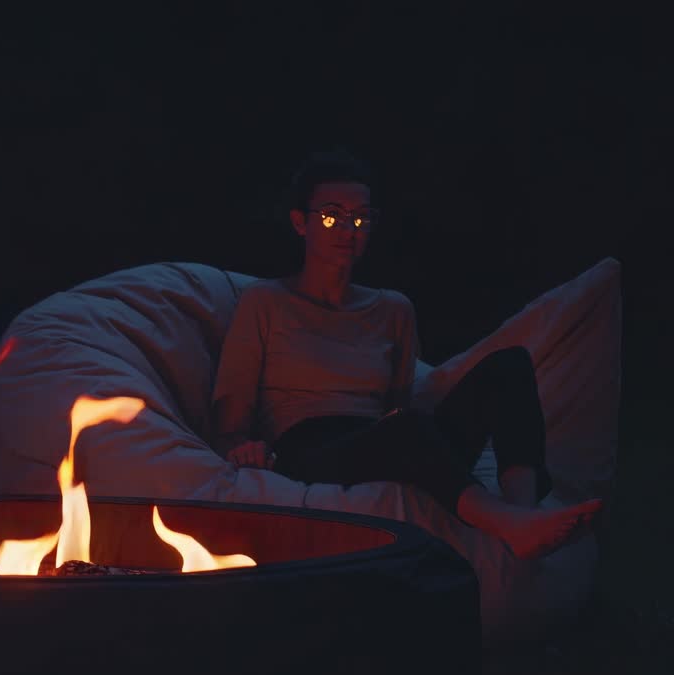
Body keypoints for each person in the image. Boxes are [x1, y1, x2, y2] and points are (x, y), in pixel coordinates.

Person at [210, 149, 601, 560]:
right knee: (406, 428)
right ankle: (506, 524)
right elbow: (230, 420)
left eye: (361, 218)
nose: (348, 229)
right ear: (299, 222)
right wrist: (243, 447)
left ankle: (525, 514)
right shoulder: (265, 302)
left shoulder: (393, 309)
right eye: (331, 216)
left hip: (384, 437)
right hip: (310, 448)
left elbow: (398, 402)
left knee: (509, 365)